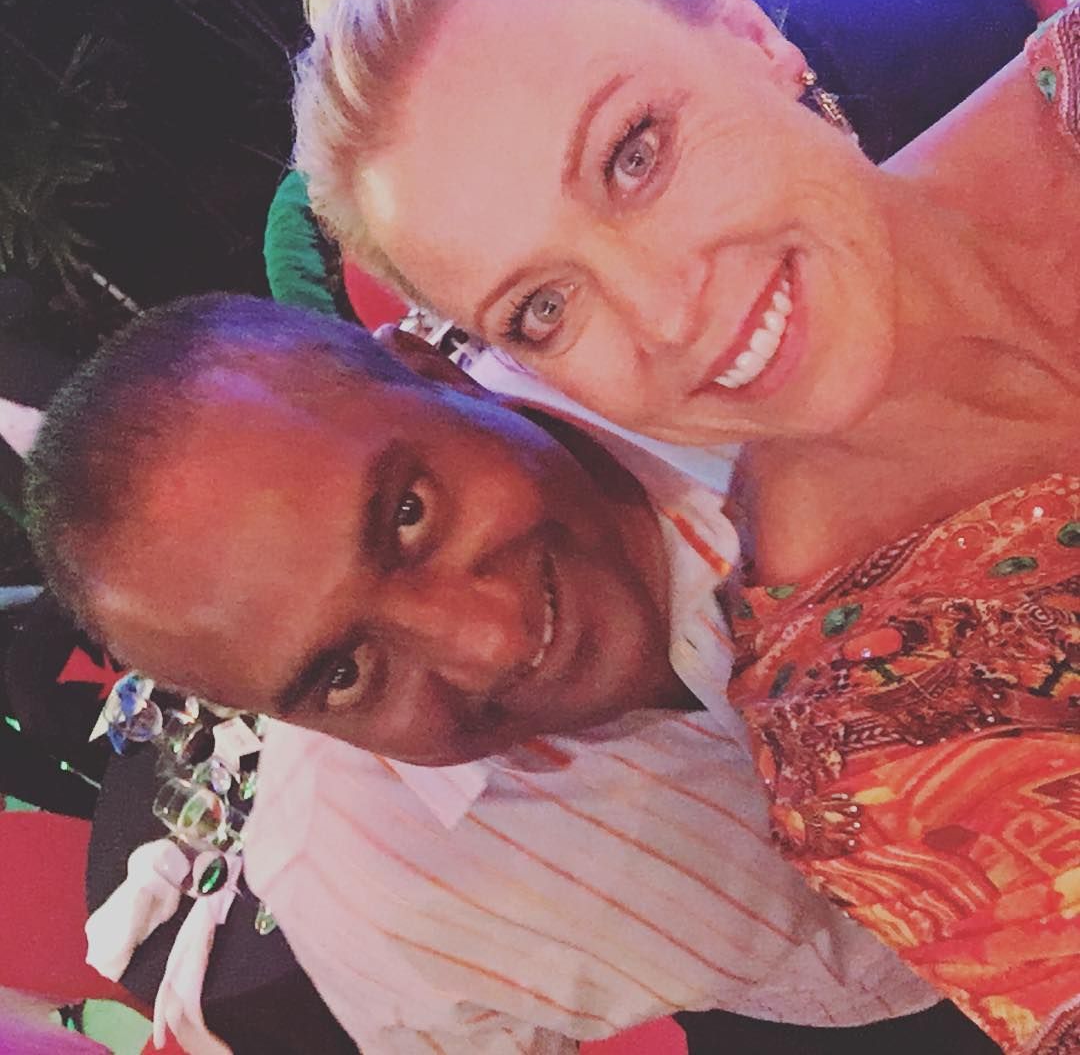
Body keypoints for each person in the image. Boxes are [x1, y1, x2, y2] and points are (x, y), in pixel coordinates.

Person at [288, 0, 1079, 1051]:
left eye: (634, 154)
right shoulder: (887, 731)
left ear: (750, 33)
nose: (665, 315)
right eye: (544, 307)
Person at [24, 294, 1005, 1054]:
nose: (489, 644)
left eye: (409, 515)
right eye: (346, 673)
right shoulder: (371, 894)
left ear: (434, 371)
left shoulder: (771, 368)